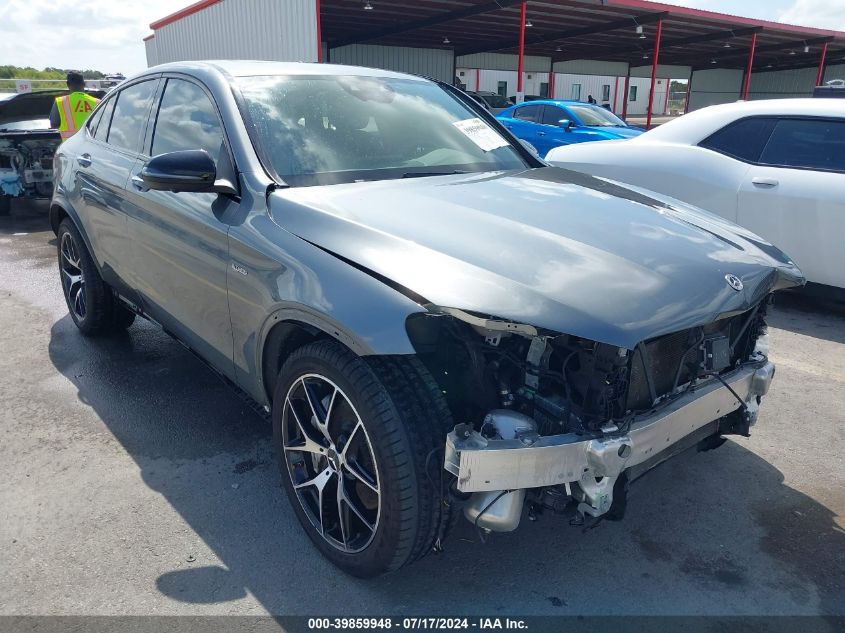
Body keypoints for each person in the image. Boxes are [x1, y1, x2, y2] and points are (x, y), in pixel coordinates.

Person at [49, 72, 99, 141]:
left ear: (68, 84)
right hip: (91, 145)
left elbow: (54, 126)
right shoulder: (98, 102)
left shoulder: (60, 102)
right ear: (84, 84)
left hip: (69, 146)